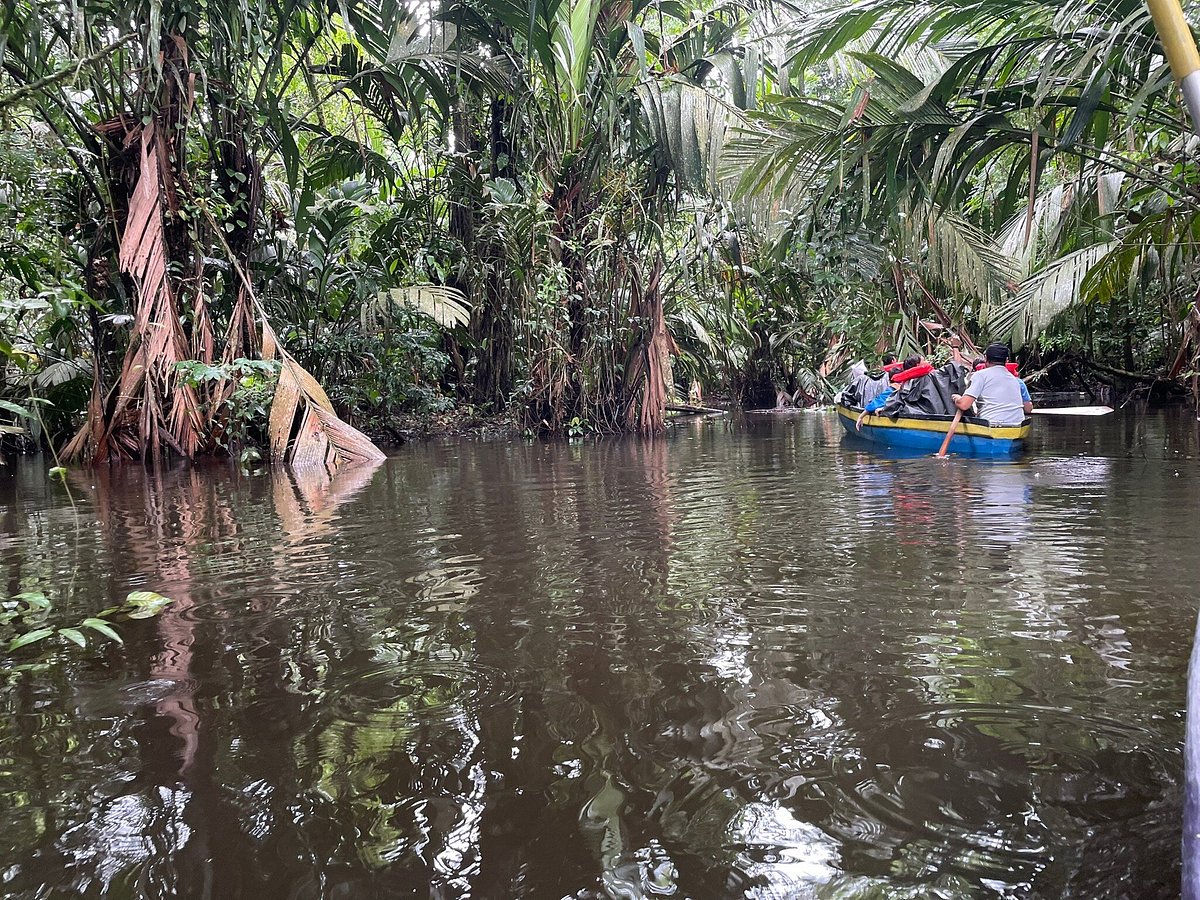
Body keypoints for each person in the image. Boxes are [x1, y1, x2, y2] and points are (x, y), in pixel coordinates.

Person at [952, 343, 1032, 425]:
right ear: (1006, 360)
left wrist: (956, 398)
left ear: (986, 358)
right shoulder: (1016, 381)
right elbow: (1028, 409)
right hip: (1017, 425)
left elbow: (964, 405)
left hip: (991, 425)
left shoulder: (981, 375)